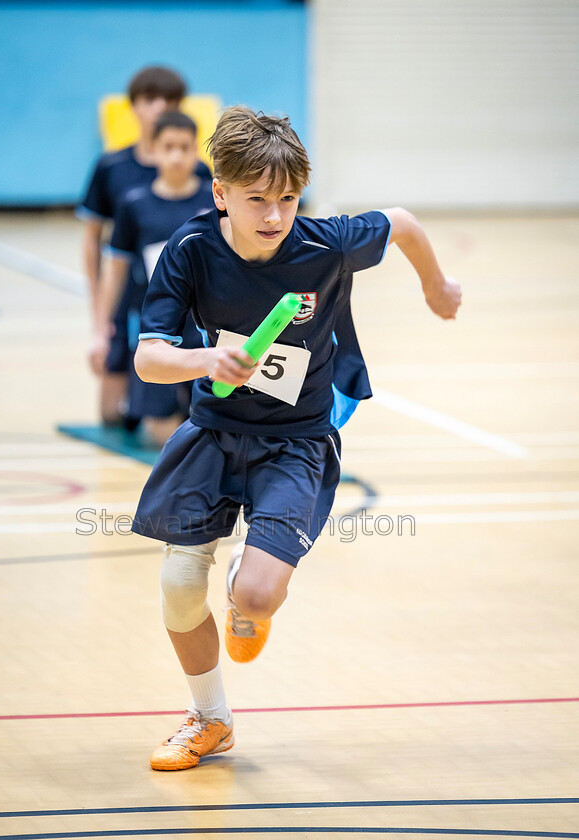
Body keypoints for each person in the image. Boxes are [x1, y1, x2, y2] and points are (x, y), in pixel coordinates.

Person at [131, 106, 462, 771]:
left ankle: (246, 578)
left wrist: (435, 283)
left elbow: (400, 222)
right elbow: (147, 357)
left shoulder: (327, 244)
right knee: (175, 584)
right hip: (214, 432)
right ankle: (210, 720)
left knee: (254, 597)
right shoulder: (190, 252)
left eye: (286, 198)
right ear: (219, 192)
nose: (275, 216)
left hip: (296, 443)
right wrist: (203, 362)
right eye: (256, 199)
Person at [76, 65, 212, 426]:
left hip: (185, 298)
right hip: (130, 294)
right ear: (134, 106)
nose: (159, 107)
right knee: (112, 414)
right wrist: (98, 321)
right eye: (150, 99)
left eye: (169, 100)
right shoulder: (112, 168)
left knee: (183, 397)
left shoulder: (200, 176)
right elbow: (96, 244)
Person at [96, 111, 214, 446]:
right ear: (155, 150)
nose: (177, 156)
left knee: (209, 409)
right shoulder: (134, 204)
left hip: (203, 320)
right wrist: (104, 325)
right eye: (169, 147)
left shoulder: (214, 200)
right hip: (157, 320)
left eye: (185, 147)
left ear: (196, 151)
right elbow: (117, 267)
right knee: (153, 427)